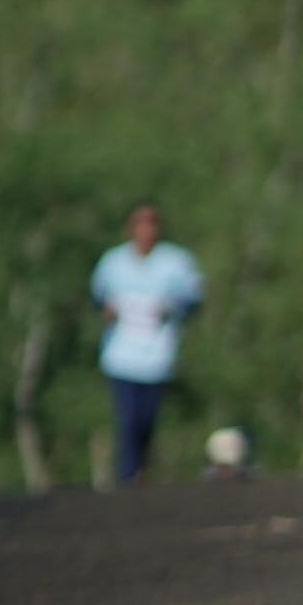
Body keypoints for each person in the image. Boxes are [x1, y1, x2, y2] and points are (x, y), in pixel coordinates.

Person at [88, 201, 207, 486]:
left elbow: (195, 298)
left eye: (152, 223)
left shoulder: (176, 262)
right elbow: (97, 297)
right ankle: (128, 476)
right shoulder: (113, 262)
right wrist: (107, 310)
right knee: (128, 419)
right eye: (140, 223)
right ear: (130, 228)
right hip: (121, 356)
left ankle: (141, 469)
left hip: (157, 357)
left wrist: (172, 309)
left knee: (146, 419)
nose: (146, 230)